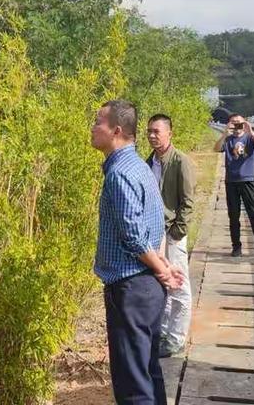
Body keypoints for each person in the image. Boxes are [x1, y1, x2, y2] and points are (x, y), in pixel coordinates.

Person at [91, 99, 183, 405]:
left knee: (132, 385)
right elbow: (154, 225)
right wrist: (164, 267)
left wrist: (161, 269)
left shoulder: (120, 174)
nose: (93, 128)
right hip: (146, 289)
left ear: (116, 131)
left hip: (131, 288)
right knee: (147, 371)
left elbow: (134, 236)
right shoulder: (141, 167)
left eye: (98, 122)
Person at [146, 114, 196, 358]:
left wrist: (177, 231)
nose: (152, 136)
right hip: (156, 233)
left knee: (179, 285)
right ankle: (163, 334)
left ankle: (176, 339)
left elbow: (188, 202)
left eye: (157, 131)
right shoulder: (150, 162)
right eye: (149, 132)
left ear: (169, 133)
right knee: (163, 283)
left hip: (172, 232)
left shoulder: (179, 161)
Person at [214, 113, 254, 258]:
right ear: (229, 124)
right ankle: (236, 247)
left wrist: (251, 131)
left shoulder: (249, 138)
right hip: (231, 182)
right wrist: (224, 134)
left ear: (244, 123)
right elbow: (216, 149)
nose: (236, 125)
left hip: (248, 181)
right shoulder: (228, 139)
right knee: (233, 216)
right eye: (233, 123)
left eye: (239, 122)